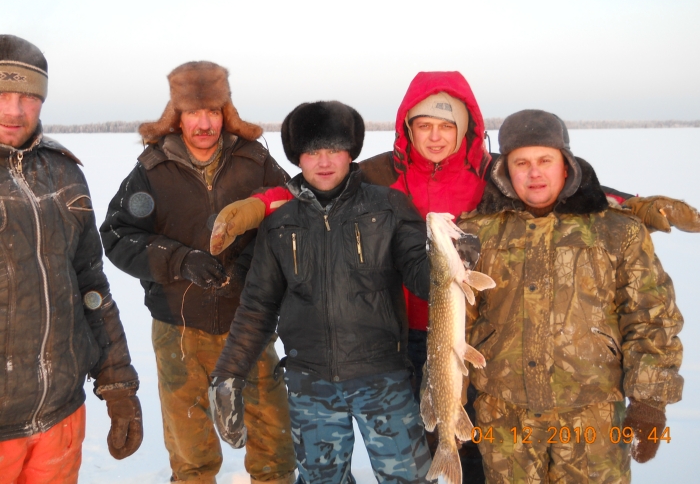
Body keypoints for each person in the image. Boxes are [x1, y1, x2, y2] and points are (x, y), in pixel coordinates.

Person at [208, 71, 700, 483]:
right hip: (399, 339)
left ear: (465, 128)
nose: (437, 136)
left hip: (474, 338)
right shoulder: (381, 173)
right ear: (409, 129)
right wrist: (259, 205)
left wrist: (634, 205)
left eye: (447, 125)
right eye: (425, 126)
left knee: (476, 454)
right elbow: (315, 188)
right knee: (427, 446)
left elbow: (567, 189)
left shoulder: (491, 172)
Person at [209, 101, 434, 483]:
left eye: (334, 149)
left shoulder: (388, 207)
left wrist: (451, 263)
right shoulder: (280, 223)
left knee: (411, 479)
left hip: (383, 379)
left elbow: (421, 276)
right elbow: (258, 307)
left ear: (351, 153)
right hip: (309, 384)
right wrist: (228, 374)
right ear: (299, 157)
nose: (324, 161)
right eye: (313, 151)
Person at [457, 109, 684, 483]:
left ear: (566, 164)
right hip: (504, 416)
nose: (534, 173)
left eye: (545, 160)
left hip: (592, 416)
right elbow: (455, 327)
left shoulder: (616, 230)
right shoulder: (474, 233)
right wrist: (449, 408)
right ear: (504, 171)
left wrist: (649, 402)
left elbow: (651, 316)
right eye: (521, 163)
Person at [100, 61, 296, 484]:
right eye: (193, 112)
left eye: (213, 111)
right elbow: (116, 235)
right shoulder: (152, 171)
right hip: (178, 329)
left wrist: (247, 267)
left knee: (275, 449)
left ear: (226, 112)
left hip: (251, 324)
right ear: (177, 115)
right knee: (191, 457)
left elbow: (287, 216)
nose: (204, 123)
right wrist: (179, 261)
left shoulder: (254, 161)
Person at [0, 35, 142, 483]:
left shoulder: (63, 172)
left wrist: (117, 381)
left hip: (61, 417)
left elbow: (90, 285)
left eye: (28, 97)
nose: (14, 110)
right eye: (3, 94)